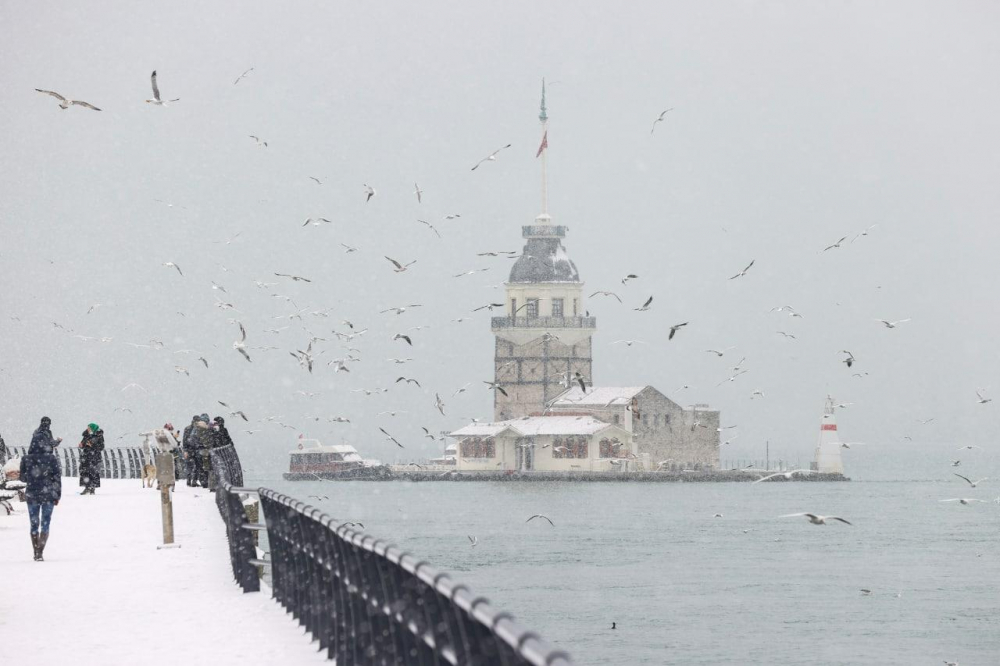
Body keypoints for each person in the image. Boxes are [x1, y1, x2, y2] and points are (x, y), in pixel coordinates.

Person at [20, 419, 63, 561]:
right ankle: (40, 552)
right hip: (48, 494)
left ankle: (35, 550)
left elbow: (23, 478)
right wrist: (57, 495)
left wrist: (33, 477)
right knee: (45, 522)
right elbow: (57, 478)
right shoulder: (51, 458)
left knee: (34, 523)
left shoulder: (26, 459)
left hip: (32, 494)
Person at [78, 423, 105, 495]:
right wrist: (81, 445)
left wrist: (92, 445)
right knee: (85, 472)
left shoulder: (99, 435)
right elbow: (83, 443)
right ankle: (87, 487)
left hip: (94, 457)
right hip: (86, 457)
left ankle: (92, 488)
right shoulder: (86, 435)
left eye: (89, 428)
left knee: (94, 472)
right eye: (88, 427)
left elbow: (101, 447)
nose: (88, 429)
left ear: (93, 428)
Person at [181, 415, 199, 486]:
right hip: (195, 449)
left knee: (189, 466)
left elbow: (184, 440)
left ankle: (188, 481)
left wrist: (185, 450)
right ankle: (194, 481)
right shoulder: (197, 428)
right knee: (196, 465)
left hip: (189, 449)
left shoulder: (187, 428)